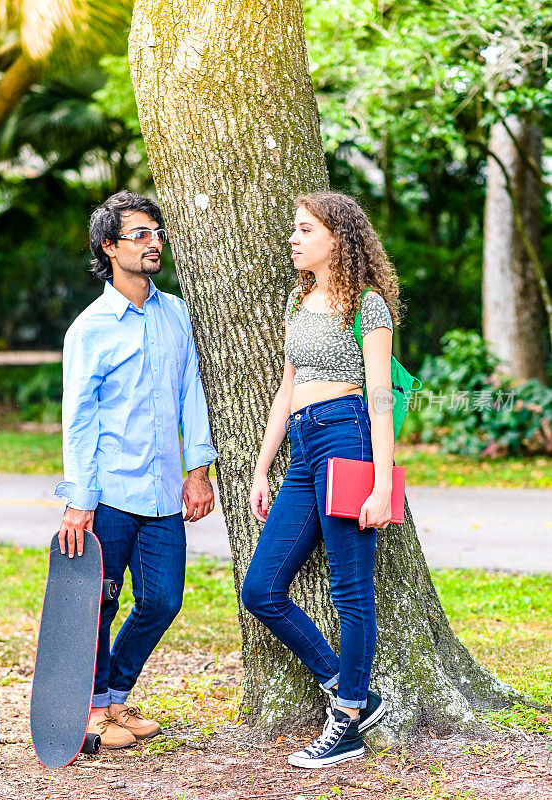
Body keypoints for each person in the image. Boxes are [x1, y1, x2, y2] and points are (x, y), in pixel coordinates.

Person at [241, 191, 400, 768]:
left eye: (305, 229)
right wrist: (262, 466)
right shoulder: (297, 298)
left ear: (337, 237)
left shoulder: (368, 305)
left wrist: (382, 484)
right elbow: (286, 389)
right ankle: (348, 688)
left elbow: (381, 396)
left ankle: (349, 722)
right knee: (260, 589)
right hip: (304, 447)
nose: (294, 238)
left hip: (347, 436)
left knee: (351, 589)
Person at [54, 190, 217, 749]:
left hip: (164, 489)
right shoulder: (91, 328)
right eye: (140, 234)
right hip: (109, 491)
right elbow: (77, 419)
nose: (154, 243)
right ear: (109, 246)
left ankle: (115, 697)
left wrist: (199, 467)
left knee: (163, 599)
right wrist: (79, 499)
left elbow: (190, 390)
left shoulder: (175, 312)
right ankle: (94, 711)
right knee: (99, 603)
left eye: (157, 232)